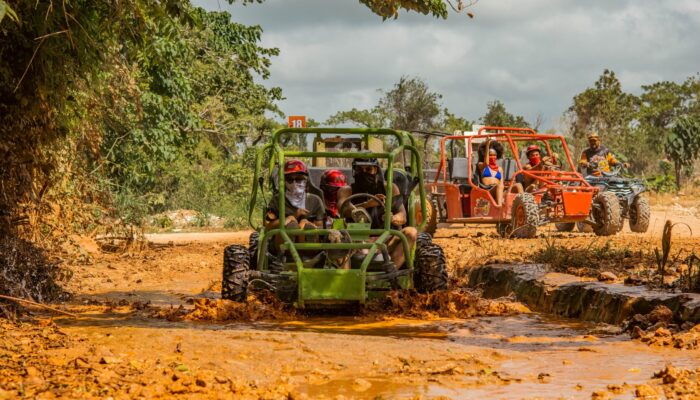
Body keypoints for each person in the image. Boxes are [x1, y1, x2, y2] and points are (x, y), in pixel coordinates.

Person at [336, 156, 416, 269]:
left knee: (411, 232)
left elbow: (403, 216)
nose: (364, 173)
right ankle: (345, 280)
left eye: (368, 169)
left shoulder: (389, 188)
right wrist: (366, 205)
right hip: (355, 241)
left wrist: (392, 218)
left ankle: (391, 276)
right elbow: (344, 210)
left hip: (385, 240)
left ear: (376, 170)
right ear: (355, 171)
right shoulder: (346, 190)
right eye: (360, 170)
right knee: (335, 238)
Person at [265, 160, 325, 249]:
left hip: (310, 247)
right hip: (282, 247)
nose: (294, 183)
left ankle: (307, 255)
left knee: (306, 227)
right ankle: (285, 255)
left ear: (305, 180)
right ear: (284, 181)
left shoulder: (315, 200)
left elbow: (321, 226)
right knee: (291, 225)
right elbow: (267, 225)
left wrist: (308, 223)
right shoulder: (278, 200)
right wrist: (288, 219)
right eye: (290, 179)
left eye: (299, 179)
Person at [476, 139, 522, 206]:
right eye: (490, 155)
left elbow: (501, 183)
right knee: (498, 186)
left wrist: (508, 188)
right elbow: (486, 163)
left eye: (494, 155)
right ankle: (499, 207)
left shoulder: (500, 169)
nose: (492, 157)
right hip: (487, 191)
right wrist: (487, 146)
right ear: (485, 155)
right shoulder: (481, 165)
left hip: (499, 190)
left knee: (518, 185)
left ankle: (523, 206)